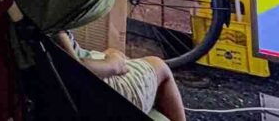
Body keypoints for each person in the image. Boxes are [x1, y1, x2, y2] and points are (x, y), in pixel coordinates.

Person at [54, 33, 186, 121]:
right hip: (94, 96)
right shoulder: (50, 24)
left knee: (115, 52)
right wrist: (113, 64)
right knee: (159, 65)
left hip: (71, 81)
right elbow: (74, 68)